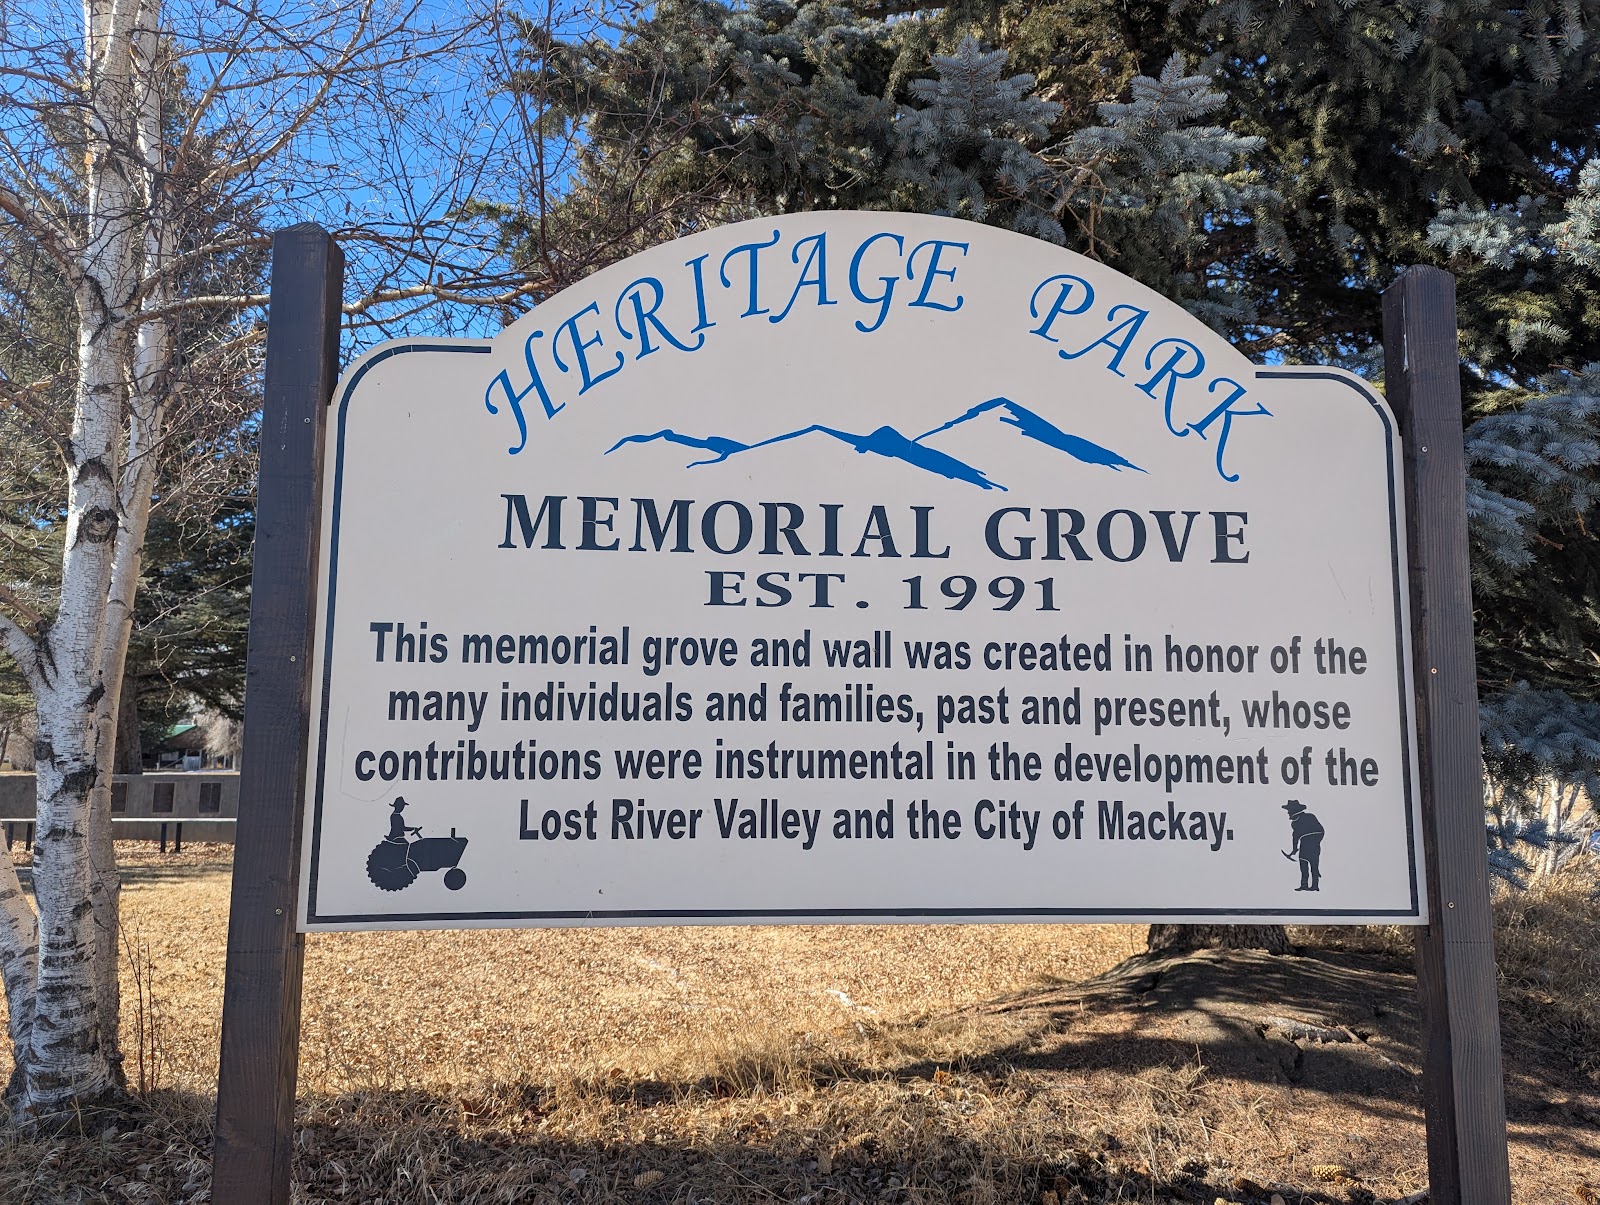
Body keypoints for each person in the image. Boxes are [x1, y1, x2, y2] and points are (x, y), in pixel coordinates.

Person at [1283, 799, 1324, 891]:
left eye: (1289, 811)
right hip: (1304, 844)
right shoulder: (1294, 823)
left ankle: (1315, 885)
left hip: (1312, 843)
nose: (1288, 813)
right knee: (1303, 864)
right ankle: (1304, 885)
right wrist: (1294, 849)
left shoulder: (1310, 817)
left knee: (1313, 865)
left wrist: (1315, 841)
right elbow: (1295, 836)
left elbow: (1321, 831)